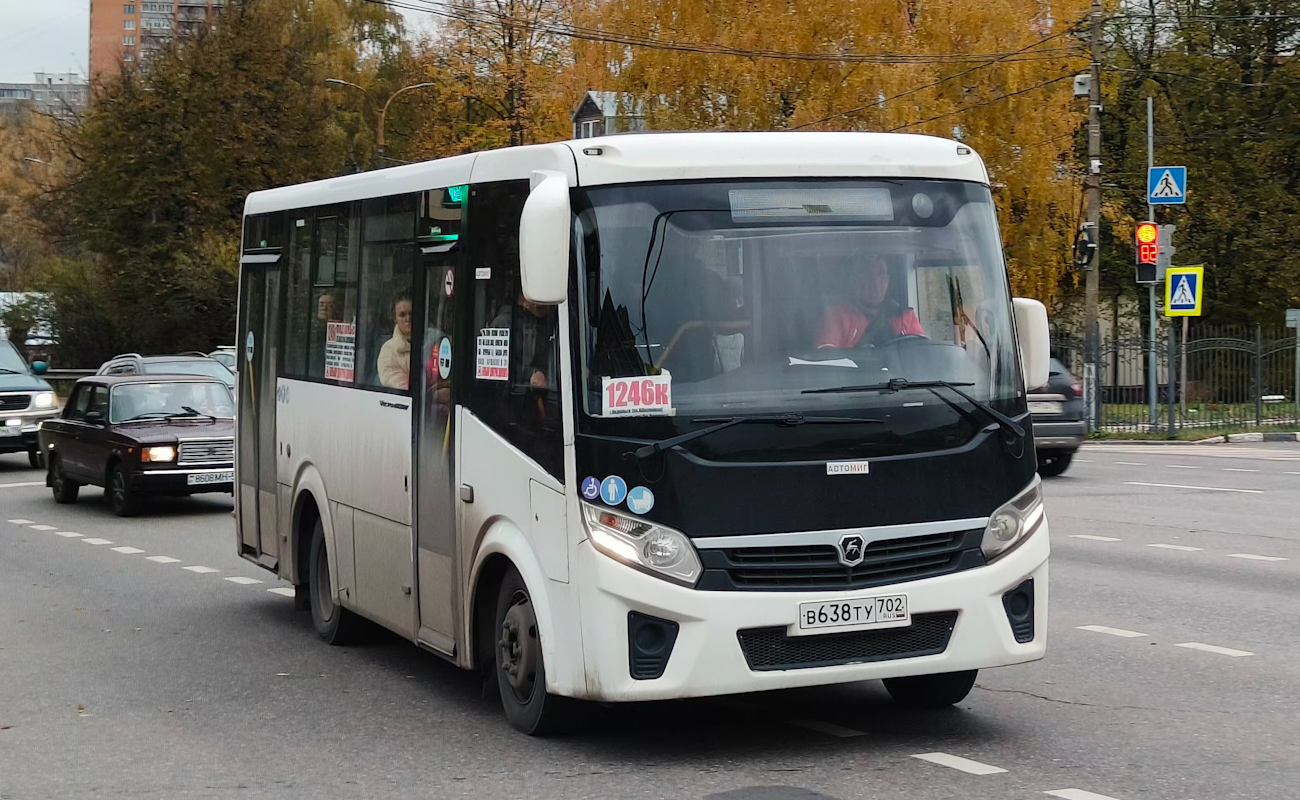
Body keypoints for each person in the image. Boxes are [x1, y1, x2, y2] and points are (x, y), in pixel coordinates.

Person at [814, 257, 925, 349]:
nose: (875, 283)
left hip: (898, 376)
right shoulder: (836, 316)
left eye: (880, 275)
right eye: (868, 275)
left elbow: (922, 353)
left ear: (888, 279)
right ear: (855, 281)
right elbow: (826, 357)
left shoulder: (905, 317)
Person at [490, 294, 556, 389]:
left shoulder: (550, 321)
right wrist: (531, 374)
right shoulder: (504, 322)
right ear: (521, 297)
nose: (540, 303)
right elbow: (497, 365)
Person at [377, 295, 413, 390]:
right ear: (395, 319)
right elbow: (401, 387)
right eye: (402, 315)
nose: (408, 319)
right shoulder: (388, 350)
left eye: (411, 314)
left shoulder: (433, 339)